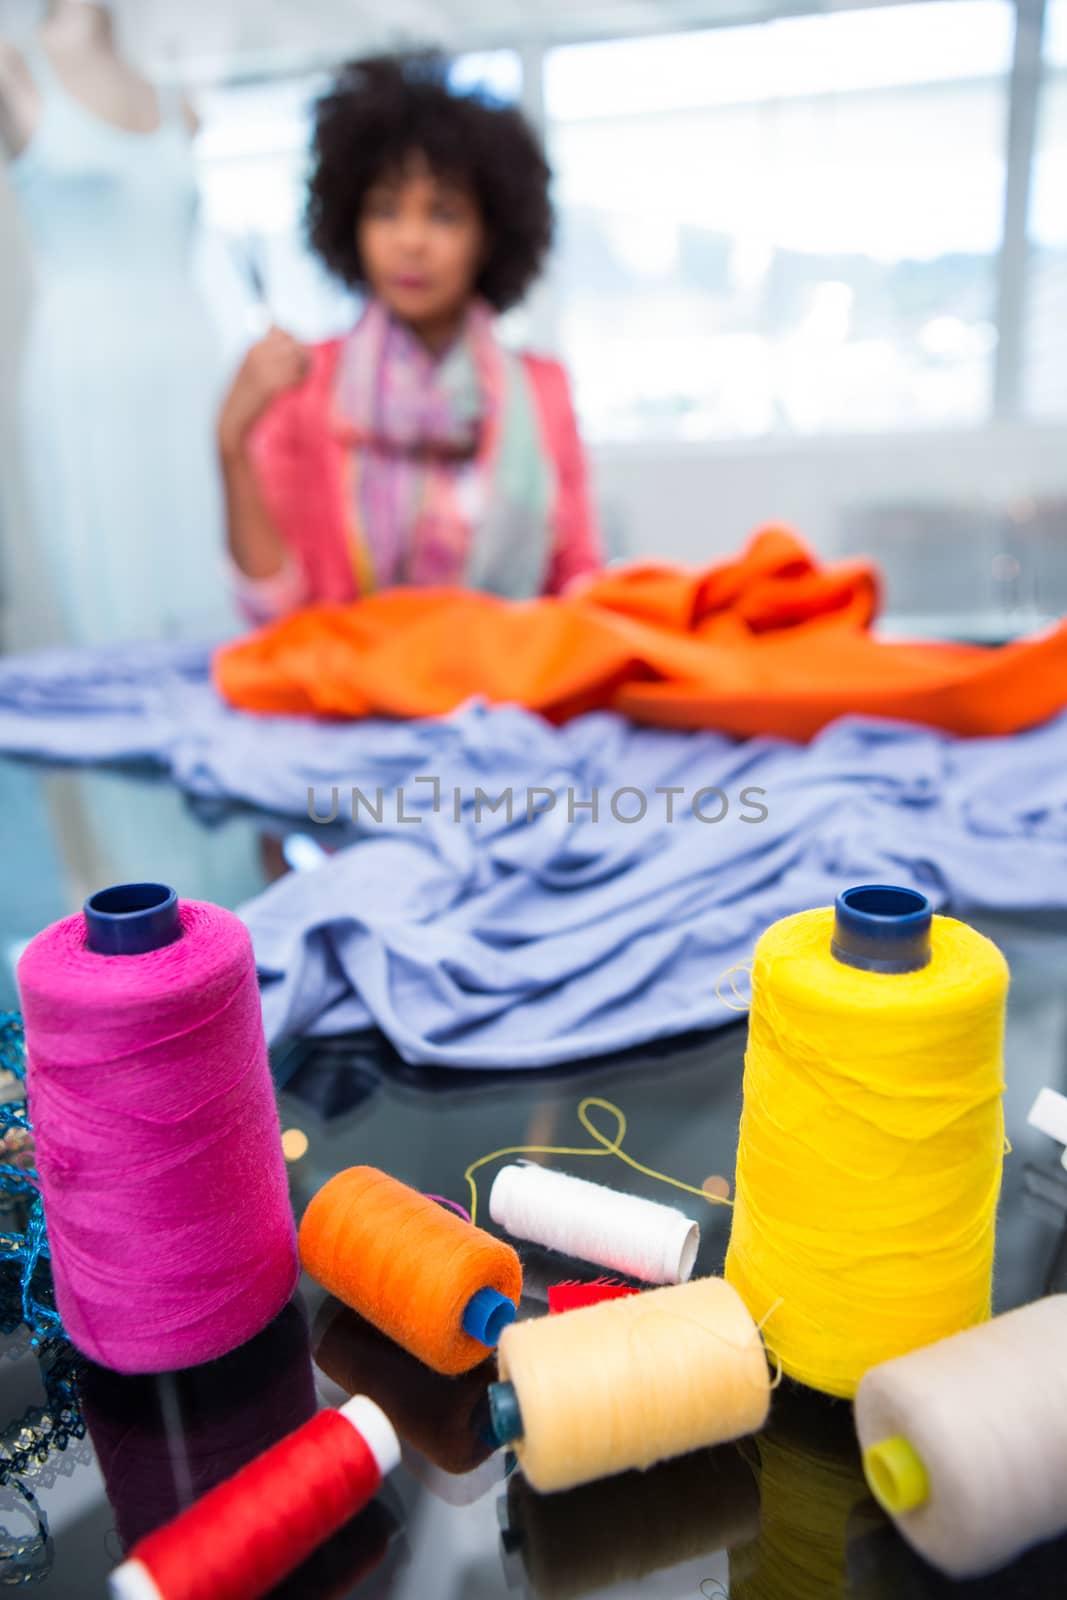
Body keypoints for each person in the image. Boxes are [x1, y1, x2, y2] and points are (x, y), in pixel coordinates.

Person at [217, 51, 604, 625]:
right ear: (350, 222)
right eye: (385, 211)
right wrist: (231, 443)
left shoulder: (541, 392)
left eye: (443, 215)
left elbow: (579, 588)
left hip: (502, 690)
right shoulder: (304, 384)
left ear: (489, 234)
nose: (411, 241)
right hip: (353, 696)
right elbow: (272, 612)